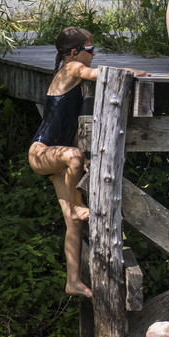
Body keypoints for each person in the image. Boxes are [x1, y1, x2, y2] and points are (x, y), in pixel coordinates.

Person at [27, 29, 145, 298]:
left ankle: (73, 281)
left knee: (73, 223)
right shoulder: (72, 68)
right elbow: (98, 75)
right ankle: (78, 204)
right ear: (73, 53)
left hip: (56, 154)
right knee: (75, 158)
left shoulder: (72, 70)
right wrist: (131, 72)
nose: (94, 55)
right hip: (41, 152)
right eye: (90, 50)